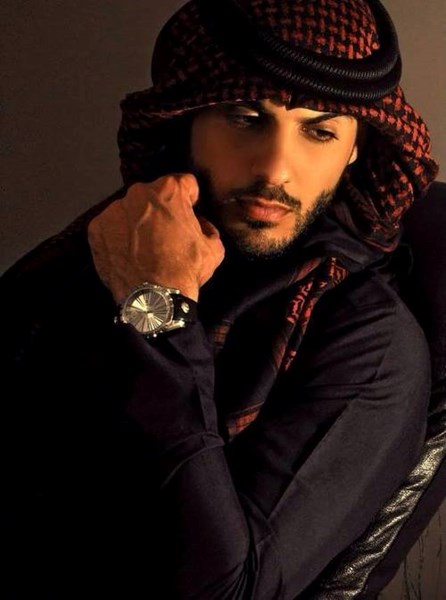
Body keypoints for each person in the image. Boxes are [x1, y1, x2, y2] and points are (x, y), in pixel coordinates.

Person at [1, 0, 442, 598]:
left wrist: (155, 303)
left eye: (319, 131)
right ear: (188, 119)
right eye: (244, 117)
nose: (275, 168)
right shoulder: (108, 245)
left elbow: (226, 590)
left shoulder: (369, 342)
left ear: (357, 147)